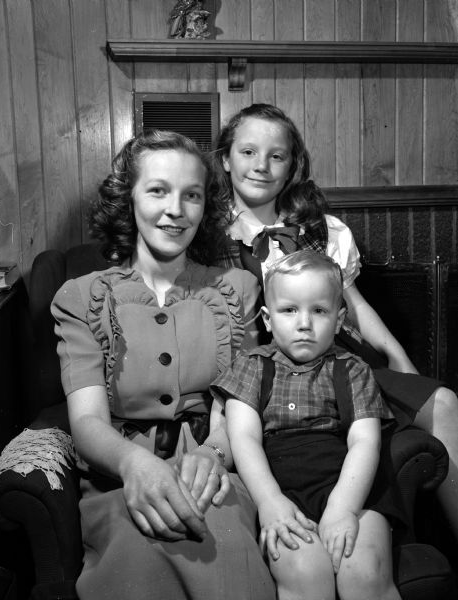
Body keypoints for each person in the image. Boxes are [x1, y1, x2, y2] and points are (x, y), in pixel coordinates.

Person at [212, 102, 458, 540]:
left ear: (292, 167)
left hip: (335, 361)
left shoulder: (322, 230)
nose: (261, 166)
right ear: (226, 159)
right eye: (248, 152)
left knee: (442, 402)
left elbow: (356, 307)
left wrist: (400, 360)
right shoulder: (206, 234)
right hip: (262, 371)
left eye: (277, 155)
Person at [50, 130, 276, 600]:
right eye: (157, 190)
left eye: (191, 195)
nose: (176, 210)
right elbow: (87, 421)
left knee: (230, 569)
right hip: (119, 480)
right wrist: (134, 465)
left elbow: (239, 404)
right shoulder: (82, 298)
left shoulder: (236, 290)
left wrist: (214, 454)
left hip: (212, 474)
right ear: (126, 199)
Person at [211, 250, 403, 600]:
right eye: (289, 310)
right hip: (282, 490)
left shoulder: (353, 369)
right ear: (268, 319)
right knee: (305, 572)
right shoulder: (251, 365)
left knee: (365, 572)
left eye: (318, 310)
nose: (304, 323)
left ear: (339, 318)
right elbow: (244, 438)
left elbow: (364, 443)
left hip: (352, 487)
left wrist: (344, 508)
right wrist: (270, 503)